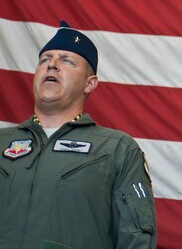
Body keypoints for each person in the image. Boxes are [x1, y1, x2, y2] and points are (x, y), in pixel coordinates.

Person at [0, 21, 157, 248]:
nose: (52, 65)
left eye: (66, 60)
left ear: (89, 84)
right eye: (45, 59)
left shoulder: (117, 150)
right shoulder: (2, 142)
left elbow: (137, 240)